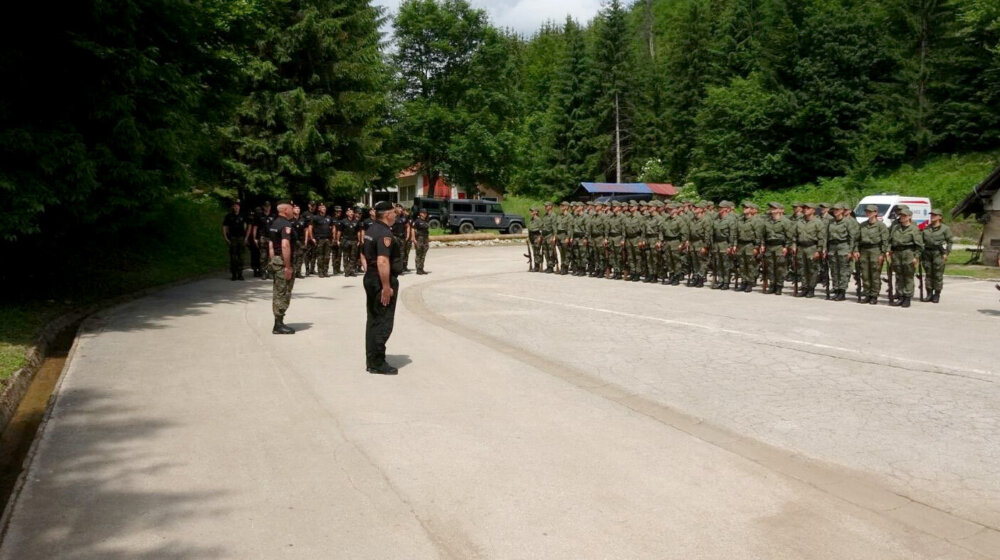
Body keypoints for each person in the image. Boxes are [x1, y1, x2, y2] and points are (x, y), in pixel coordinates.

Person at [361, 201, 403, 375]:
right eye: (394, 212)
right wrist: (386, 286)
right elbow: (383, 261)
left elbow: (363, 253)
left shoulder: (371, 229)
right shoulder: (384, 233)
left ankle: (372, 360)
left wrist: (368, 269)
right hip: (381, 280)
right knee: (383, 322)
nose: (396, 215)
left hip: (371, 277)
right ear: (387, 214)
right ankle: (377, 362)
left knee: (373, 320)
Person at [268, 202, 297, 334]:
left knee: (278, 291)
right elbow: (285, 245)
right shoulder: (285, 224)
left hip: (277, 260)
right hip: (283, 262)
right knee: (283, 292)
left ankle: (278, 322)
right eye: (291, 209)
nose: (293, 211)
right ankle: (278, 325)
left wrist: (273, 260)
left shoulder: (274, 223)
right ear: (285, 210)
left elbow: (271, 245)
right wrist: (287, 267)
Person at [888, 207, 924, 308]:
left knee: (908, 276)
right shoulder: (896, 228)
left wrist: (916, 257)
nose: (902, 217)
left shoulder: (914, 229)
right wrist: (888, 250)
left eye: (904, 216)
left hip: (908, 253)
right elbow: (890, 240)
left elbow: (919, 245)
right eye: (901, 216)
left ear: (909, 217)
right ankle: (900, 296)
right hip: (897, 254)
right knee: (899, 276)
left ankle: (907, 297)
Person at [791, 203, 827, 298]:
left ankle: (811, 289)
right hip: (801, 247)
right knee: (802, 269)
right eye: (804, 208)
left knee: (812, 269)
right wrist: (794, 246)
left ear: (813, 210)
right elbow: (794, 236)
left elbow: (821, 238)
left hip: (812, 247)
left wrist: (818, 250)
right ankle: (804, 287)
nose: (805, 210)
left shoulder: (818, 223)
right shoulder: (799, 222)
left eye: (808, 208)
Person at [857, 204, 890, 305]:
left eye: (870, 212)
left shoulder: (881, 226)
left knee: (875, 274)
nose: (868, 213)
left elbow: (885, 241)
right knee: (865, 274)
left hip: (876, 250)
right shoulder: (862, 225)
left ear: (876, 213)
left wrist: (883, 253)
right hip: (864, 250)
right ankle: (867, 294)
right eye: (867, 212)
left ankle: (874, 295)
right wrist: (856, 250)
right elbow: (857, 240)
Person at [826, 202, 857, 301]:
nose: (835, 212)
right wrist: (825, 249)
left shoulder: (847, 222)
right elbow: (826, 236)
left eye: (838, 210)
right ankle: (836, 289)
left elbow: (852, 238)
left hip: (843, 246)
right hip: (832, 247)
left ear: (842, 211)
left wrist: (850, 251)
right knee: (834, 270)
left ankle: (842, 292)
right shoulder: (831, 222)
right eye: (834, 210)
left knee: (843, 270)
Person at [760, 202, 791, 295]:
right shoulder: (767, 222)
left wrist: (786, 247)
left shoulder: (785, 222)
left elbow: (789, 236)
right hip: (769, 246)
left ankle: (779, 286)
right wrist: (762, 245)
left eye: (774, 208)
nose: (772, 210)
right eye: (771, 208)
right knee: (770, 267)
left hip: (779, 246)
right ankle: (772, 284)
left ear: (779, 210)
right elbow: (763, 235)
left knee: (780, 267)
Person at [921, 209, 952, 303]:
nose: (932, 216)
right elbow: (922, 241)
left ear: (940, 217)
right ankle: (929, 293)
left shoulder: (945, 229)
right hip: (927, 253)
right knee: (928, 273)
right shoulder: (926, 228)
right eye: (931, 215)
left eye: (935, 215)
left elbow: (949, 241)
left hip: (938, 253)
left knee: (938, 274)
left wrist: (946, 253)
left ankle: (937, 294)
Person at [222, 199, 251, 281]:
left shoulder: (243, 215)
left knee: (241, 256)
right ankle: (234, 274)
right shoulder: (229, 216)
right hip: (232, 238)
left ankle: (240, 273)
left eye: (237, 206)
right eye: (234, 206)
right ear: (233, 207)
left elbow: (249, 226)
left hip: (241, 238)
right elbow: (224, 226)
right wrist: (226, 238)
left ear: (239, 207)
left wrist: (246, 237)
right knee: (233, 257)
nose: (236, 207)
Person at [311, 203, 336, 277]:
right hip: (319, 239)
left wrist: (333, 236)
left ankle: (325, 271)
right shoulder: (315, 217)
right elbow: (310, 227)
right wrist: (312, 237)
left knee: (327, 256)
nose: (324, 209)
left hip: (328, 239)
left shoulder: (329, 217)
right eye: (322, 207)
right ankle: (320, 271)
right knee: (320, 256)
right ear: (319, 209)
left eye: (324, 207)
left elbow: (333, 226)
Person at [338, 207, 362, 276]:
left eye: (352, 212)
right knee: (346, 256)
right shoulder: (343, 221)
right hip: (345, 240)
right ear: (347, 213)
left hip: (354, 240)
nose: (351, 213)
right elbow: (339, 231)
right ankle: (346, 271)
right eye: (350, 212)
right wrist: (338, 240)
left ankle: (351, 270)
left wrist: (359, 240)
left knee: (353, 256)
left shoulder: (356, 221)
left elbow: (358, 232)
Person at [412, 208, 431, 274]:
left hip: (425, 238)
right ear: (420, 213)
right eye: (423, 213)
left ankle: (421, 268)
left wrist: (428, 240)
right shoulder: (417, 221)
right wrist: (413, 239)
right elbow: (413, 229)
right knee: (419, 254)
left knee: (423, 254)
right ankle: (418, 269)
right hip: (419, 238)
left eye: (425, 213)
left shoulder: (426, 221)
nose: (425, 214)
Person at [527, 207, 544, 272]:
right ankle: (536, 266)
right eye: (531, 211)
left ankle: (537, 266)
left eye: (532, 211)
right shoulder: (532, 219)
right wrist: (528, 237)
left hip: (536, 236)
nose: (531, 212)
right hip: (532, 236)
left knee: (537, 252)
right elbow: (530, 228)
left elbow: (542, 228)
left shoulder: (538, 219)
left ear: (536, 212)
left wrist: (540, 237)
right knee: (534, 252)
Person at [330, 206, 344, 275]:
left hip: (340, 239)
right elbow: (331, 229)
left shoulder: (341, 220)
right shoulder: (332, 219)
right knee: (334, 254)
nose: (339, 213)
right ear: (335, 212)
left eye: (340, 211)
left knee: (339, 254)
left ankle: (338, 268)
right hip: (333, 239)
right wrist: (333, 239)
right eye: (337, 211)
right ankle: (334, 269)